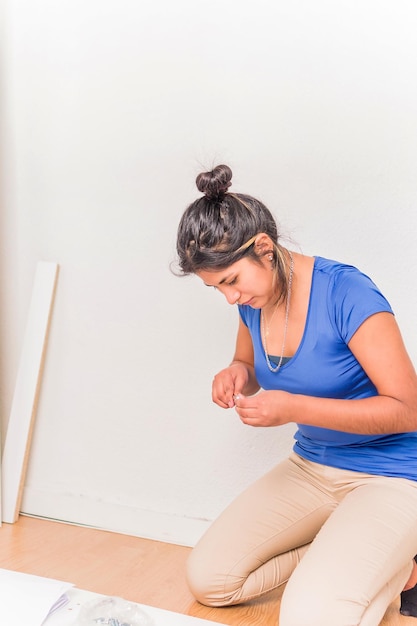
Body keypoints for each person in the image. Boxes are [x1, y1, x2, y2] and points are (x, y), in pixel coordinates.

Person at [175, 164, 417, 626]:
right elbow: (249, 366)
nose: (229, 298)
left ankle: (386, 562)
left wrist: (292, 408)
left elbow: (408, 411)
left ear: (263, 248)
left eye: (231, 281)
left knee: (311, 618)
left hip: (394, 474)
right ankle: (373, 560)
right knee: (209, 580)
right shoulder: (254, 301)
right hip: (311, 467)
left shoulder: (348, 292)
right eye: (215, 289)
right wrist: (235, 375)